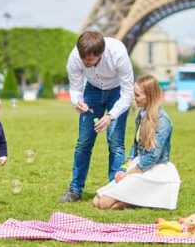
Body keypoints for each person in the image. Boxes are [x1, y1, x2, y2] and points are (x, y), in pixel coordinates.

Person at [58, 31, 134, 203]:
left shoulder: (118, 53)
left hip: (117, 92)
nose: (86, 63)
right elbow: (76, 88)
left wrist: (111, 116)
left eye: (90, 60)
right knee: (84, 142)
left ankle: (114, 191)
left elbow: (128, 92)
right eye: (83, 59)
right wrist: (77, 102)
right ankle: (75, 189)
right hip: (92, 90)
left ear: (101, 53)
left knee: (115, 143)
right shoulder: (75, 57)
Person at [93, 75, 180, 210]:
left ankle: (140, 200)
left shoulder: (162, 120)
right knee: (96, 201)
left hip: (153, 170)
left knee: (104, 204)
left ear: (149, 96)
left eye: (137, 95)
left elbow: (152, 157)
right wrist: (124, 168)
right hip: (138, 166)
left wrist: (128, 174)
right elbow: (135, 147)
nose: (134, 97)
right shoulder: (141, 114)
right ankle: (138, 199)